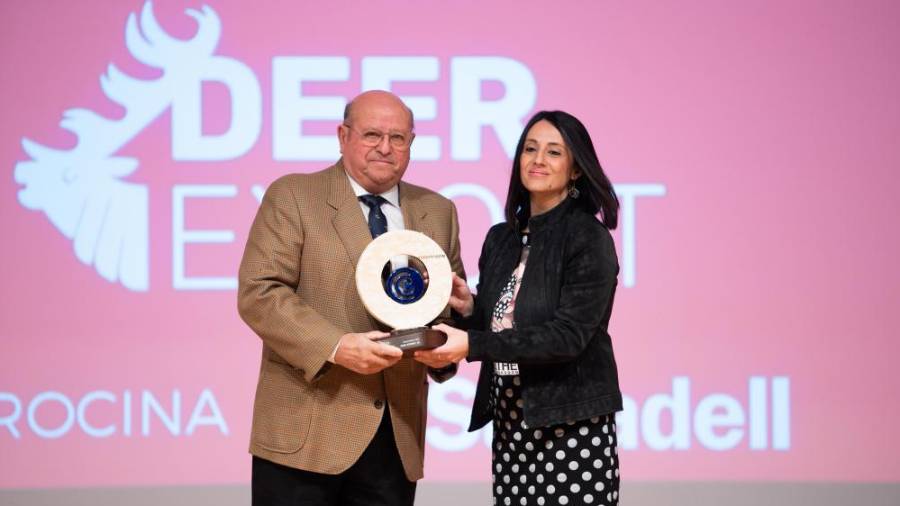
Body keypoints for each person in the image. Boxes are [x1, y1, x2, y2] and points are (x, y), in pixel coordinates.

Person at [238, 90, 463, 506]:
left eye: (398, 138)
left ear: (412, 143)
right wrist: (337, 347)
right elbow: (260, 291)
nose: (385, 147)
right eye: (372, 134)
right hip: (306, 434)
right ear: (343, 136)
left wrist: (460, 318)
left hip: (395, 438)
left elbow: (445, 308)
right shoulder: (294, 197)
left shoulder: (438, 210)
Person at [416, 110, 623, 505]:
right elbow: (503, 325)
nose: (538, 160)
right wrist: (468, 308)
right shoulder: (502, 238)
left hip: (570, 423)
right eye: (530, 149)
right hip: (512, 419)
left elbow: (568, 336)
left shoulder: (587, 237)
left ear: (576, 169)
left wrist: (471, 344)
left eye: (554, 152)